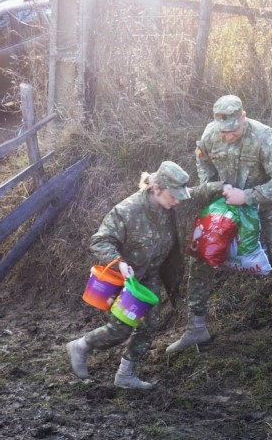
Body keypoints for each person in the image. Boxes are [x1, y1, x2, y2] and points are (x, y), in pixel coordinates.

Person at [66, 161, 231, 389]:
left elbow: (196, 192)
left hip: (150, 274)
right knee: (121, 328)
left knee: (151, 324)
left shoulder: (173, 200)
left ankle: (125, 375)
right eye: (173, 196)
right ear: (156, 189)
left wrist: (225, 187)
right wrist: (120, 263)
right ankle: (82, 345)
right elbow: (100, 241)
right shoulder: (127, 210)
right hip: (129, 279)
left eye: (179, 196)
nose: (177, 201)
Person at [166, 95, 272, 359]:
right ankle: (196, 326)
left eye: (234, 130)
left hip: (267, 208)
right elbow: (202, 159)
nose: (228, 135)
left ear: (244, 116)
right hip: (227, 206)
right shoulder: (209, 134)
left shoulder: (264, 137)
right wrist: (214, 187)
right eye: (223, 131)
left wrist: (248, 196)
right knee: (201, 253)